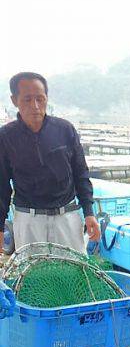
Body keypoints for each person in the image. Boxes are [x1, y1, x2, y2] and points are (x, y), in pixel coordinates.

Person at [0, 72, 100, 253]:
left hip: (67, 216)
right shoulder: (6, 136)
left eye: (40, 99)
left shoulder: (65, 130)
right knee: (33, 278)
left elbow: (81, 173)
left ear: (47, 98)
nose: (35, 106)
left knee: (74, 274)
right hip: (28, 220)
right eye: (27, 99)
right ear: (14, 100)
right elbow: (1, 186)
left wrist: (89, 212)